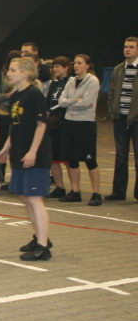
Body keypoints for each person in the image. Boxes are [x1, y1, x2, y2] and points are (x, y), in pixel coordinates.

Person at [0, 56, 53, 261]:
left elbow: (41, 124)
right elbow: (14, 127)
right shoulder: (15, 96)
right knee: (25, 197)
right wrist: (6, 148)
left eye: (13, 70)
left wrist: (33, 151)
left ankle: (43, 247)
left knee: (35, 198)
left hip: (35, 155)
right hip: (18, 152)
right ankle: (40, 237)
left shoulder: (34, 95)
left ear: (25, 73)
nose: (9, 73)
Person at [58, 54, 102, 206]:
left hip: (85, 125)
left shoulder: (93, 81)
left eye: (80, 63)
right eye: (75, 63)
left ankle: (96, 193)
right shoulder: (70, 81)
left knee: (90, 160)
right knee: (72, 159)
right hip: (70, 123)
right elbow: (61, 101)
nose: (76, 65)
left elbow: (87, 103)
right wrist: (75, 100)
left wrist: (70, 102)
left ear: (87, 65)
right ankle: (75, 191)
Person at [106, 36, 138, 202]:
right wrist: (112, 110)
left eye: (131, 47)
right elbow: (112, 92)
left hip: (136, 120)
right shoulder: (118, 69)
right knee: (120, 156)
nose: (127, 49)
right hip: (120, 119)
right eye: (126, 46)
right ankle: (118, 192)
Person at [44, 57, 71, 199]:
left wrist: (54, 111)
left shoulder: (70, 82)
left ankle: (75, 188)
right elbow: (48, 101)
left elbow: (67, 102)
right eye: (54, 67)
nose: (55, 69)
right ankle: (60, 187)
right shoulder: (54, 84)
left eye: (58, 66)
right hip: (52, 123)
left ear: (66, 68)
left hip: (65, 123)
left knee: (67, 158)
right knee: (53, 157)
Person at [0, 50, 21, 186]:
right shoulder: (2, 75)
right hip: (3, 113)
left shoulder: (24, 77)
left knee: (16, 146)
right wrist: (8, 95)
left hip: (17, 114)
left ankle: (16, 177)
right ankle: (0, 175)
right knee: (3, 144)